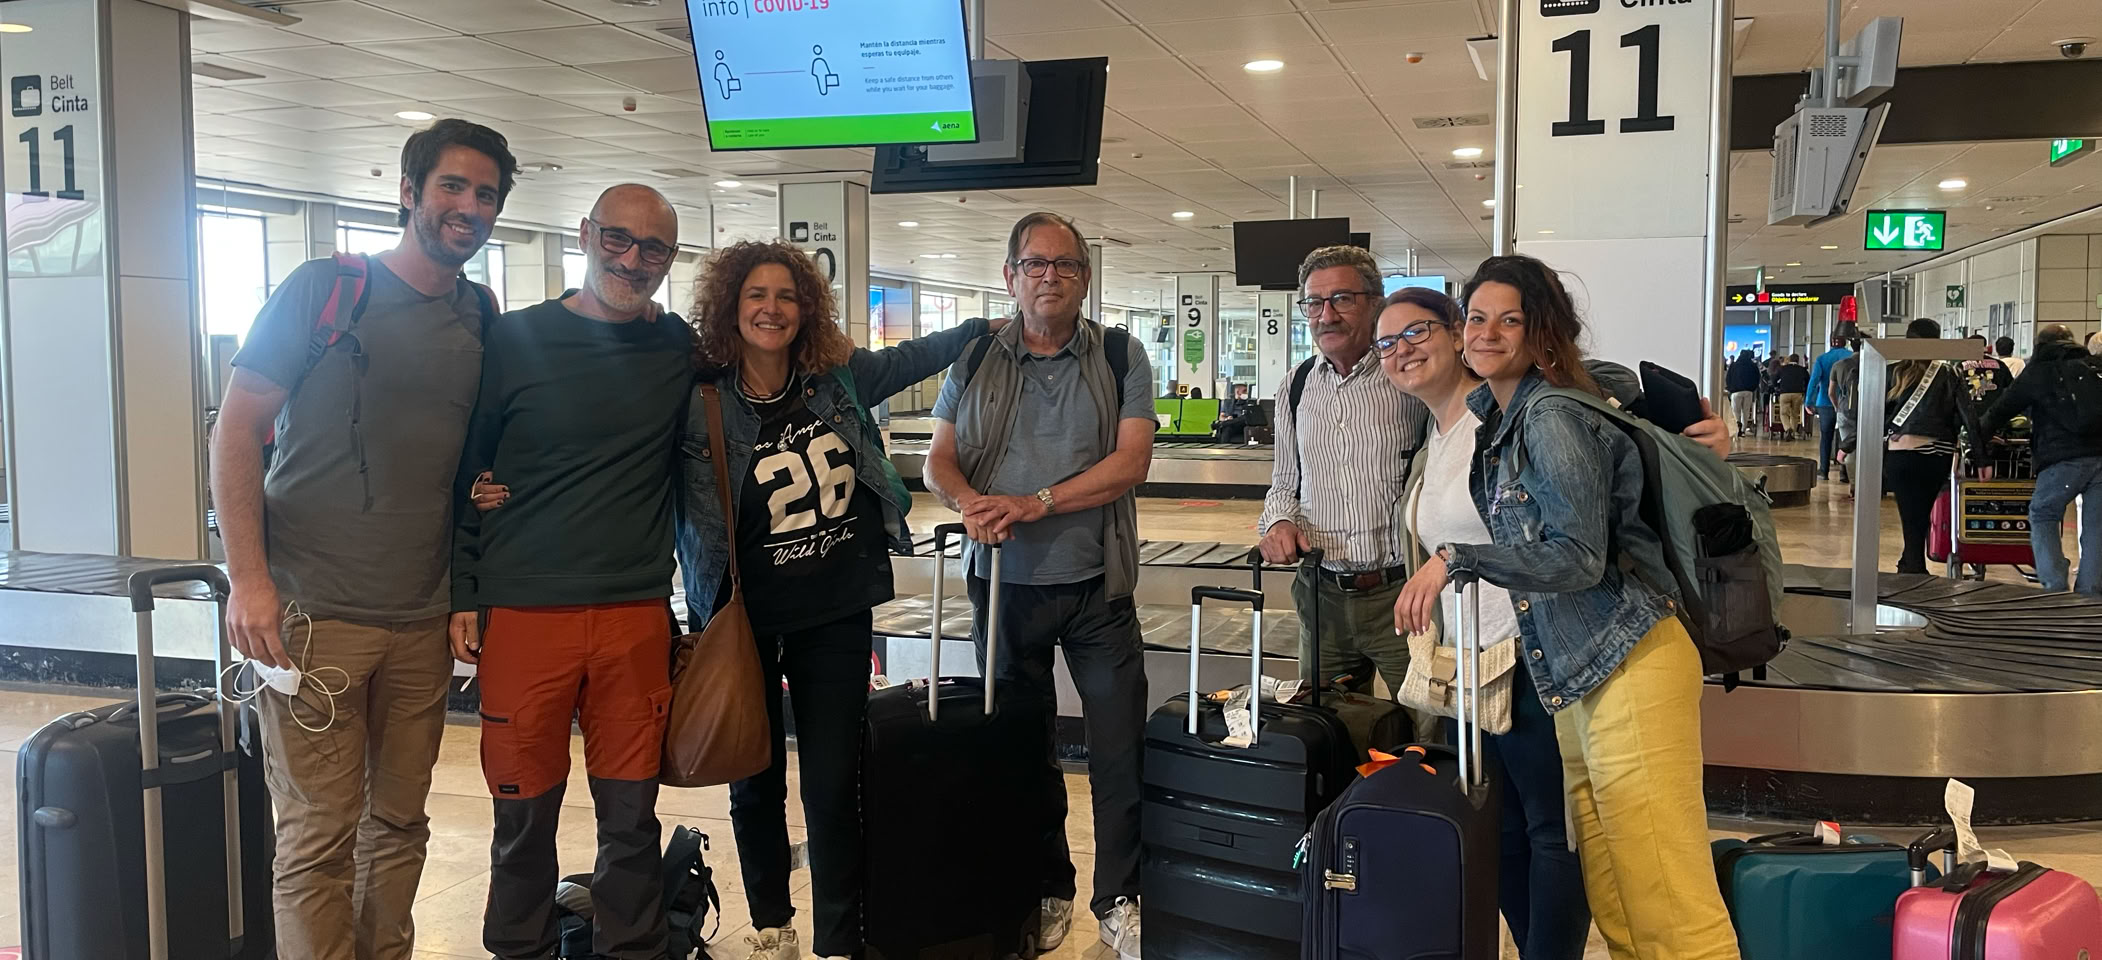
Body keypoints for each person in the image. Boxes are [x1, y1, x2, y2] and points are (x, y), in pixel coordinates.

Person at [577, 240, 995, 960]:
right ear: (730, 307)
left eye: (786, 297)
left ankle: (839, 934)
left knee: (834, 783)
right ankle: (772, 923)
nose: (771, 309)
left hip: (834, 608)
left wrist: (984, 327)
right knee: (753, 776)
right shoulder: (696, 397)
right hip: (738, 616)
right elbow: (617, 453)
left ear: (806, 310)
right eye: (756, 295)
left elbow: (914, 358)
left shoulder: (835, 380)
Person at [209, 119, 514, 960]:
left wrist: (472, 554)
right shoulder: (326, 289)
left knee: (400, 825)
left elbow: (462, 459)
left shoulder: (480, 313)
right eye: (452, 186)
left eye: (486, 194)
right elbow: (234, 432)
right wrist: (249, 579)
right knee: (319, 832)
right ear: (410, 192)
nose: (469, 206)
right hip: (313, 616)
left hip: (420, 619)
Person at [1394, 255, 1740, 960]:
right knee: (1617, 885)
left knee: (1664, 891)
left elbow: (1578, 556)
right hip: (1585, 670)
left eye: (1509, 320)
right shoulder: (1511, 411)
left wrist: (1459, 559)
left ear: (1541, 330)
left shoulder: (1548, 413)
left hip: (1628, 654)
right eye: (1478, 318)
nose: (1487, 334)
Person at [451, 184, 693, 960]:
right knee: (522, 817)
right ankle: (518, 947)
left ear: (670, 259)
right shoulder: (515, 339)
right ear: (586, 235)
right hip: (524, 613)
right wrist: (464, 588)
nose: (633, 260)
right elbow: (468, 467)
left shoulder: (678, 347)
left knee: (631, 817)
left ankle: (635, 951)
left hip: (634, 615)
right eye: (617, 239)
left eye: (653, 248)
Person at [923, 211, 1156, 960]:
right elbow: (938, 461)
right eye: (1034, 264)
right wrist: (972, 504)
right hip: (1003, 589)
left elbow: (1131, 463)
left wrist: (1035, 503)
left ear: (1085, 278)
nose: (1049, 276)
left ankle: (1119, 898)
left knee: (1118, 752)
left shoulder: (1119, 354)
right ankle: (1046, 887)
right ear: (1010, 276)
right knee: (1023, 752)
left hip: (1097, 589)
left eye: (1065, 264)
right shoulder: (974, 358)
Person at [1256, 245, 1434, 738]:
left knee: (1428, 734)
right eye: (1313, 303)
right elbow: (1284, 482)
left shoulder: (1408, 377)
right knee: (1328, 732)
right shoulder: (1295, 386)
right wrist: (1280, 521)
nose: (1326, 315)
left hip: (1403, 593)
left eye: (1342, 299)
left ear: (1375, 303)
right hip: (1322, 597)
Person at [1981, 324, 2102, 595]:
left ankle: (2054, 584)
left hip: (2062, 458)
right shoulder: (2092, 367)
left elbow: (1999, 411)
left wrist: (1979, 446)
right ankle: (2091, 593)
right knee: (2097, 525)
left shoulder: (2039, 371)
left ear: (2040, 345)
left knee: (2044, 513)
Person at [1881, 319, 1974, 576]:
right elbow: (1967, 415)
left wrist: (1850, 443)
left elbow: (1874, 413)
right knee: (1920, 512)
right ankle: (1913, 567)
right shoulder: (1948, 373)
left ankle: (1910, 564)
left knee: (1910, 513)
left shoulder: (1892, 372)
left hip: (1899, 454)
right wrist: (1981, 455)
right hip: (1936, 454)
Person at [1808, 334, 1853, 479]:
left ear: (1831, 342)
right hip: (1848, 402)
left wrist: (1809, 401)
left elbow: (1814, 381)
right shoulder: (1852, 357)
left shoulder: (1822, 359)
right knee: (1846, 436)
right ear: (1845, 342)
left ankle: (1824, 470)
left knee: (1826, 437)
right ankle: (1844, 472)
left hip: (1825, 402)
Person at [1725, 349, 1761, 437]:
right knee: (1745, 412)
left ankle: (1737, 427)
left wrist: (1730, 388)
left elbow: (1728, 378)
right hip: (1748, 391)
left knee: (1735, 411)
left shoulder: (1734, 365)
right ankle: (1743, 430)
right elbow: (1757, 378)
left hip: (1736, 391)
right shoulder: (1753, 366)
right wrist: (1753, 388)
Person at [1774, 354, 1809, 440]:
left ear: (1789, 360)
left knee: (1783, 413)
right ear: (1798, 360)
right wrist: (1804, 390)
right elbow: (1808, 380)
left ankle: (1787, 429)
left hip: (1784, 393)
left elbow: (1774, 379)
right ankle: (1792, 432)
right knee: (1794, 414)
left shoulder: (1782, 368)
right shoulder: (1802, 369)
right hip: (1798, 393)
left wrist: (1777, 386)